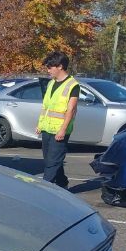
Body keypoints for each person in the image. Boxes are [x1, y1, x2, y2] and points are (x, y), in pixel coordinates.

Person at [35, 51, 79, 189]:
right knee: (50, 160)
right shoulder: (51, 83)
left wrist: (63, 130)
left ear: (60, 66)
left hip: (60, 131)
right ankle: (62, 183)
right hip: (47, 128)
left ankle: (45, 189)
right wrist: (40, 125)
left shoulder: (73, 85)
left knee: (52, 162)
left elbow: (70, 110)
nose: (48, 70)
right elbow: (46, 107)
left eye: (50, 67)